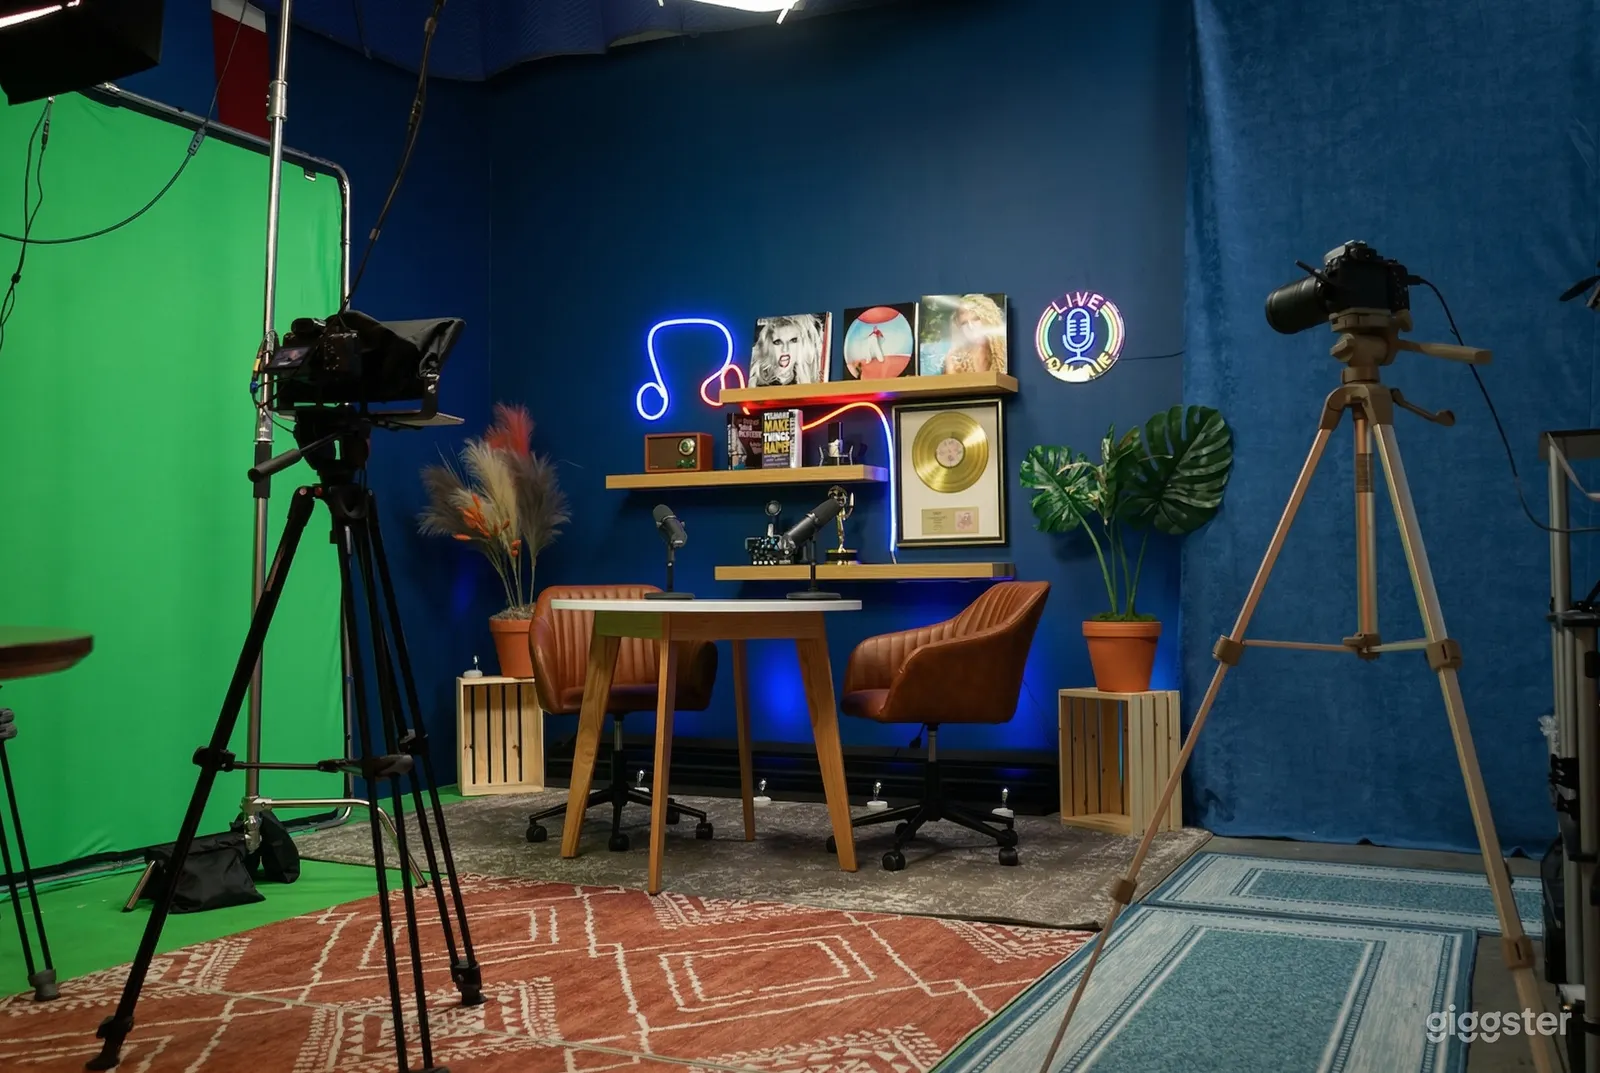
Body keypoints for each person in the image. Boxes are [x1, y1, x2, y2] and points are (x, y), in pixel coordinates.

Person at [940, 294, 1007, 375]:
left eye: (976, 319)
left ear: (989, 320)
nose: (971, 327)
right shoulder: (954, 361)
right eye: (964, 323)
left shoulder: (1005, 352)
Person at [750, 314, 825, 386]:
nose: (785, 349)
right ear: (768, 346)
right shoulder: (755, 383)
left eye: (793, 341)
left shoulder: (806, 379)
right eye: (778, 342)